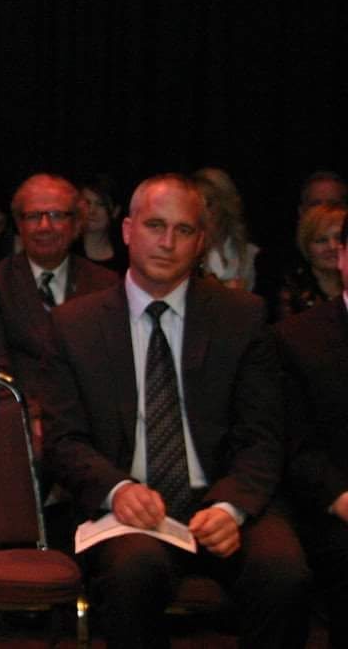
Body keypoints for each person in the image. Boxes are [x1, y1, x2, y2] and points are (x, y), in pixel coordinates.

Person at [40, 174, 310, 649]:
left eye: (183, 231)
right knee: (132, 573)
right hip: (129, 507)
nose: (167, 243)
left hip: (223, 497)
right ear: (127, 231)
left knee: (284, 573)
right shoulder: (74, 324)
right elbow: (64, 440)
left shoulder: (241, 316)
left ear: (201, 242)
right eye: (155, 226)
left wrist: (232, 506)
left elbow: (263, 434)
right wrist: (117, 488)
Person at [277, 218, 348, 649]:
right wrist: (342, 498)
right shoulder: (297, 338)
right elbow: (294, 447)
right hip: (330, 506)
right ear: (342, 256)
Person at [0, 173, 118, 385]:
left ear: (77, 223)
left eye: (56, 215)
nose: (44, 226)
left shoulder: (105, 285)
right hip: (21, 411)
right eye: (33, 216)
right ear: (19, 225)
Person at [192, 166, 260, 291]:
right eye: (196, 204)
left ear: (225, 205)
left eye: (208, 203)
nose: (202, 212)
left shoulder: (252, 256)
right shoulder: (186, 255)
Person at [275, 203, 346, 320]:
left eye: (339, 238)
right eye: (321, 240)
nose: (332, 246)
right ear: (306, 246)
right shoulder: (293, 288)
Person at [75, 174, 128, 275]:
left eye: (100, 204)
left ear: (115, 211)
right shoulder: (66, 250)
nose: (92, 211)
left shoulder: (125, 257)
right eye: (87, 203)